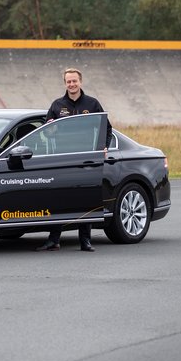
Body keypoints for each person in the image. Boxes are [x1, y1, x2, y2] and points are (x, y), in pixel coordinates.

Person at [36, 67, 112, 253]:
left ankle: (85, 241)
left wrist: (104, 147)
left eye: (74, 81)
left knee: (85, 199)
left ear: (80, 82)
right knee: (57, 199)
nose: (72, 84)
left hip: (86, 159)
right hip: (61, 159)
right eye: (68, 81)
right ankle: (54, 240)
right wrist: (50, 129)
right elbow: (45, 133)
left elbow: (107, 128)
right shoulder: (56, 105)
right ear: (65, 83)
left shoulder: (93, 104)